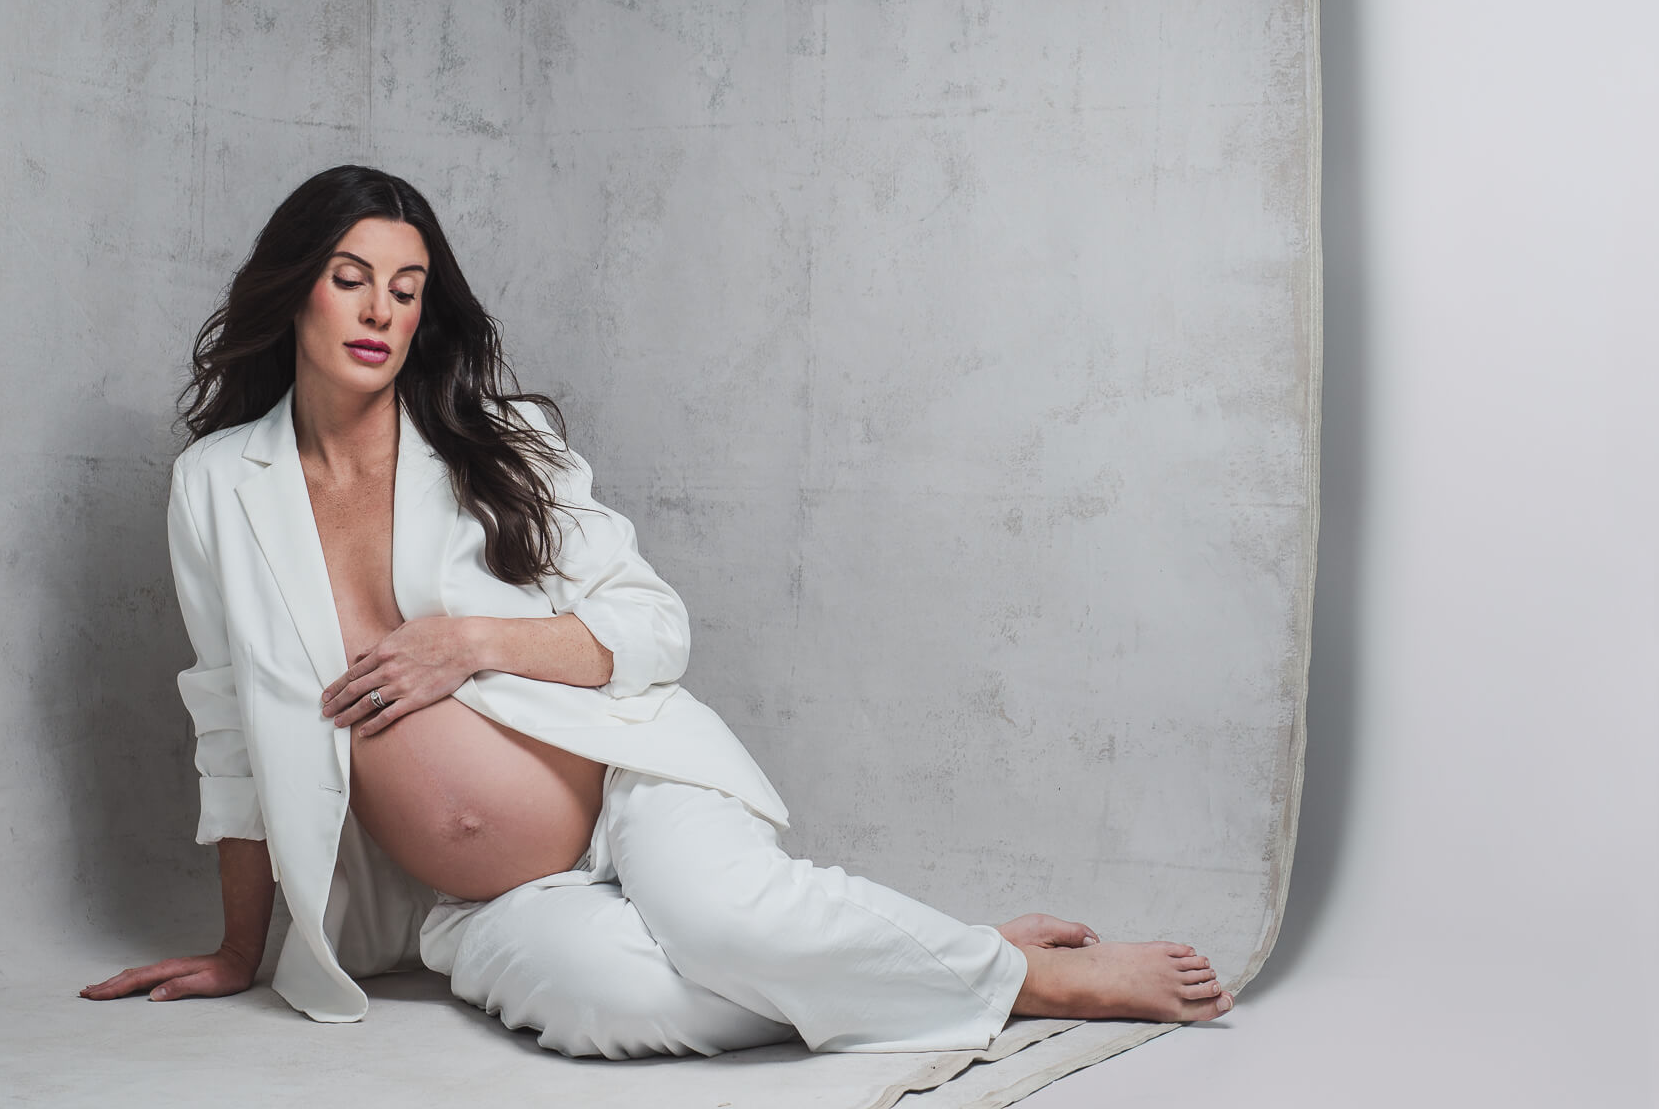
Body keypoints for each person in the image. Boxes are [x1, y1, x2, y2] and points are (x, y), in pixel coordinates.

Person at [80, 166, 1233, 1057]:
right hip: (479, 896)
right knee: (614, 1009)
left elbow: (652, 627)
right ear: (294, 285)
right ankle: (945, 957)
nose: (378, 308)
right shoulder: (218, 485)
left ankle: (1033, 979)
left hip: (625, 785)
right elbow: (230, 720)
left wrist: (466, 642)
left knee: (734, 927)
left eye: (406, 284)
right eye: (349, 275)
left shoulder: (498, 437)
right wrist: (241, 947)